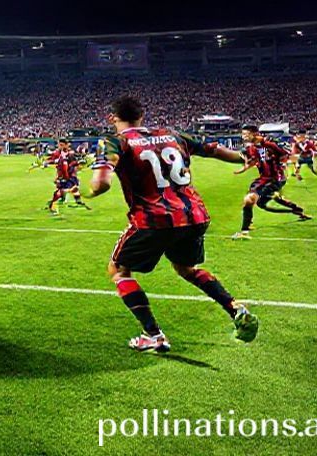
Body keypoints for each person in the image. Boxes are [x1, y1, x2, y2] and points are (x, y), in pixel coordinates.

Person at [85, 96, 259, 352]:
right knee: (186, 268)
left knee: (119, 270)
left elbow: (102, 183)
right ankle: (234, 308)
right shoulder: (172, 135)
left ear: (112, 118)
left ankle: (152, 334)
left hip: (153, 219)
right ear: (142, 115)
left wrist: (90, 190)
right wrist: (241, 158)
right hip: (194, 216)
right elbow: (213, 150)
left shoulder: (115, 141)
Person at [232, 125, 311, 240]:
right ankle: (298, 210)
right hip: (262, 179)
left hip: (275, 178)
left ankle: (244, 232)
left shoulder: (270, 145)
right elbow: (254, 160)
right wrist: (245, 167)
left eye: (245, 134)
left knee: (249, 200)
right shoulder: (251, 148)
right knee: (263, 203)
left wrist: (286, 165)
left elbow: (285, 155)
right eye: (242, 134)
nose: (243, 136)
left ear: (254, 134)